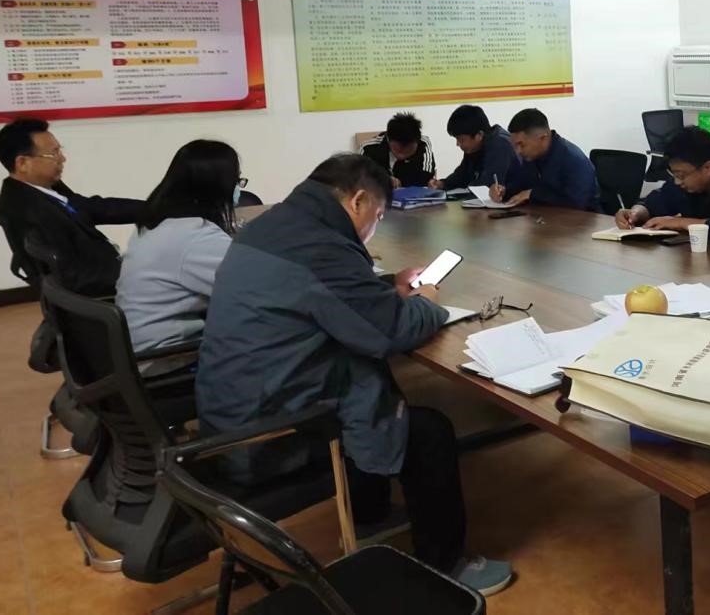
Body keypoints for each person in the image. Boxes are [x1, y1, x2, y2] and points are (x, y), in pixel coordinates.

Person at [195, 153, 512, 596]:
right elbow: (390, 332)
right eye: (378, 216)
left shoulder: (278, 225)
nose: (374, 227)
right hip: (267, 436)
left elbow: (321, 294)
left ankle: (370, 511)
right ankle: (446, 566)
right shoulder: (321, 246)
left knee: (368, 389)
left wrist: (386, 287)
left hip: (230, 413)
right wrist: (427, 301)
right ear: (358, 200)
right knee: (427, 431)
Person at [115, 139, 241, 356]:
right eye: (236, 181)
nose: (237, 189)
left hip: (134, 348)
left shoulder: (155, 224)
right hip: (166, 357)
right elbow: (254, 287)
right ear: (215, 186)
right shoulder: (197, 237)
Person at [0, 117, 144, 296]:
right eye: (53, 154)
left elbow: (94, 208)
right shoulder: (28, 211)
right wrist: (132, 277)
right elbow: (73, 278)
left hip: (108, 269)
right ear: (23, 163)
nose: (62, 159)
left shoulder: (42, 189)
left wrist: (155, 207)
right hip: (104, 290)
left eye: (60, 151)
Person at [492, 108, 598, 211]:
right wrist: (503, 191)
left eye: (521, 144)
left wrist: (532, 194)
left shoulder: (573, 159)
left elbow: (575, 203)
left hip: (585, 219)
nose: (518, 151)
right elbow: (519, 187)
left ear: (543, 138)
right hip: (543, 217)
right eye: (515, 145)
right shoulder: (530, 156)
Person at [430, 104, 520, 192]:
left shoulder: (500, 146)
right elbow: (463, 175)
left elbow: (488, 185)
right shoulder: (475, 147)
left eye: (461, 140)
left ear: (479, 135)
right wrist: (442, 184)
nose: (457, 144)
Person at [360, 112, 436, 189]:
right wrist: (384, 180)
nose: (402, 156)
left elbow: (427, 176)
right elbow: (360, 178)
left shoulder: (423, 143)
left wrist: (401, 181)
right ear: (388, 139)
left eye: (409, 151)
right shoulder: (368, 148)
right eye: (398, 150)